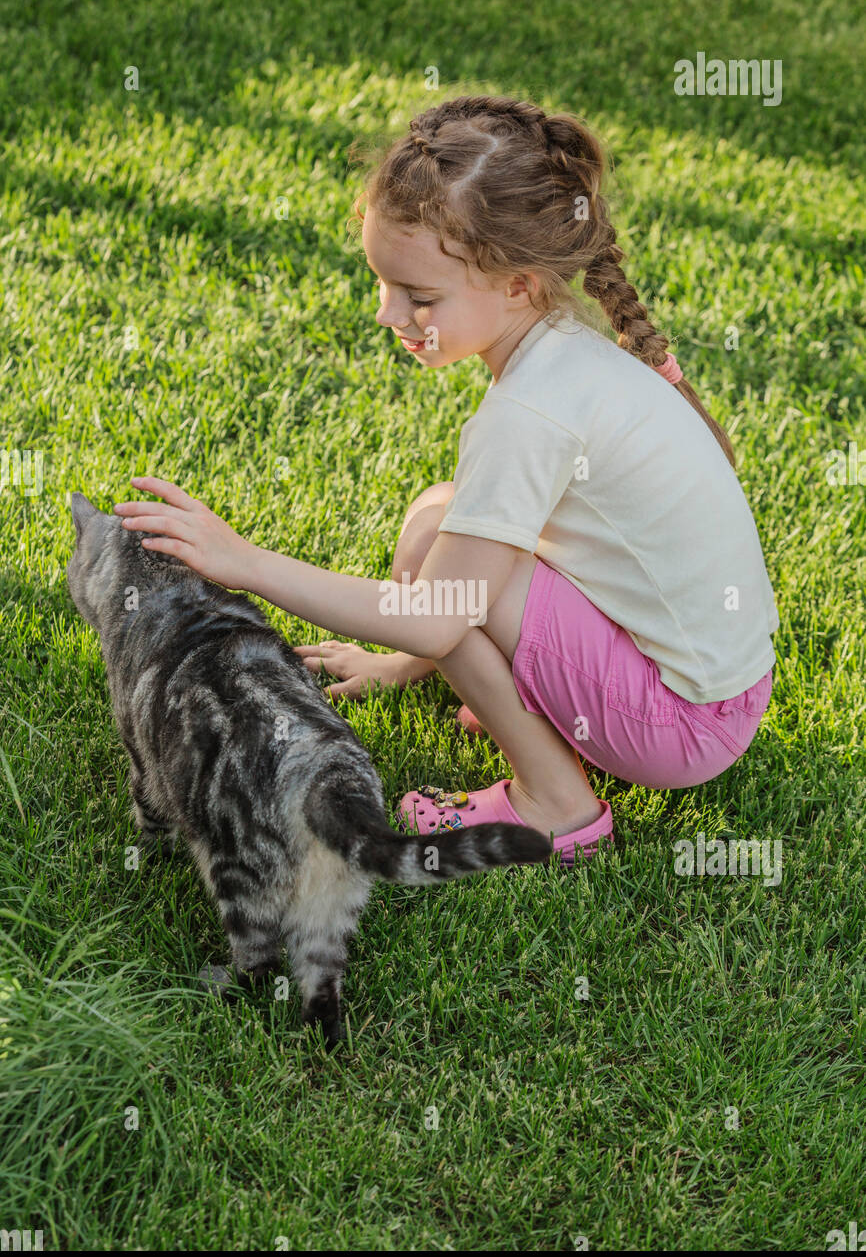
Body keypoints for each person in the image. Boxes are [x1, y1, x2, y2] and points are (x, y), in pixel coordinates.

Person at [114, 95, 778, 866]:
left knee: (450, 576)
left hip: (681, 725)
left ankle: (558, 807)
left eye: (420, 297)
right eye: (383, 282)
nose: (387, 312)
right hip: (717, 692)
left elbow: (437, 614)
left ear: (519, 284)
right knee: (442, 518)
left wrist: (246, 563)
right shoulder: (565, 351)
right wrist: (404, 659)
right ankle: (526, 702)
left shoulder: (531, 411)